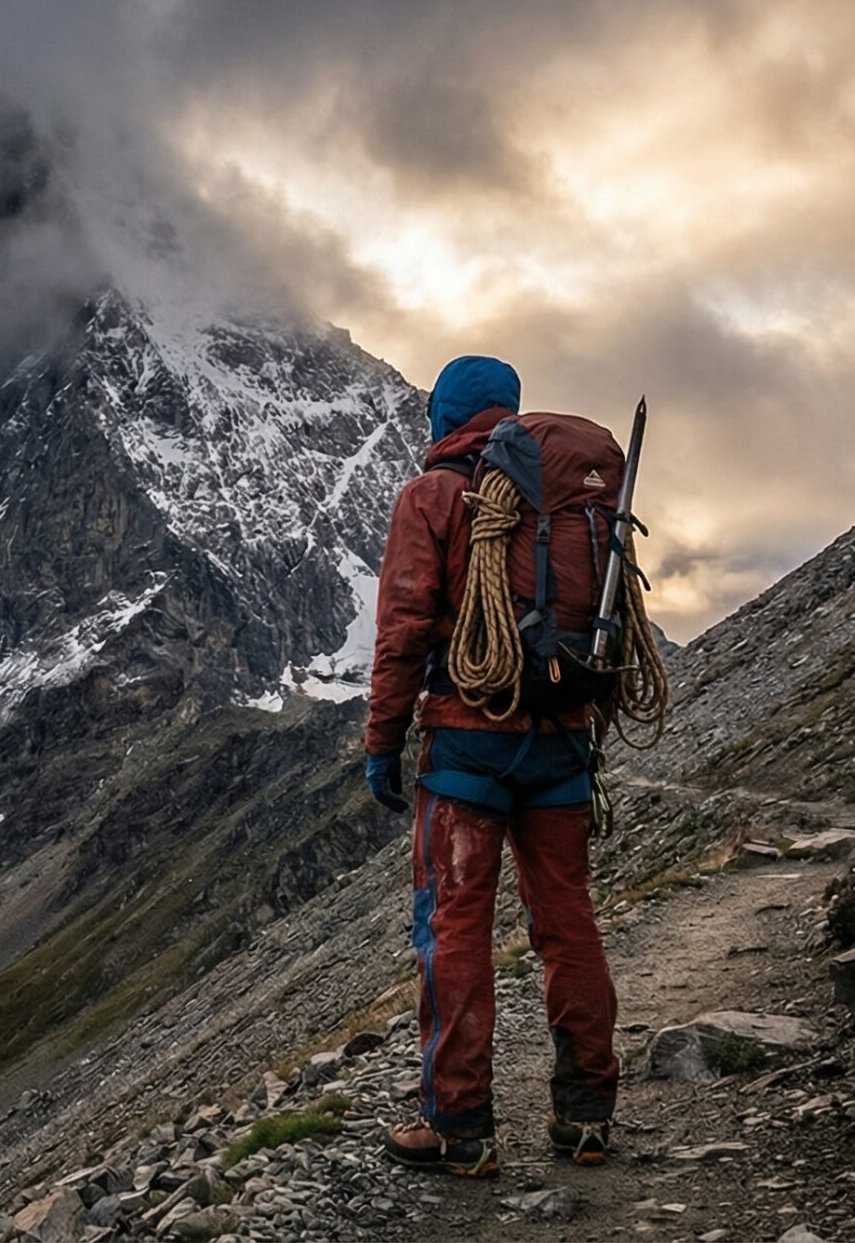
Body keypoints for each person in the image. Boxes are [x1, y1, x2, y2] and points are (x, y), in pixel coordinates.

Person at [361, 355, 619, 1179]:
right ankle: (586, 1114)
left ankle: (461, 1126)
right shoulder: (566, 497)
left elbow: (404, 630)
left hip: (469, 744)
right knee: (567, 919)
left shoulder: (433, 495)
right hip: (561, 737)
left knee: (456, 924)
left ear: (444, 414)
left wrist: (382, 742)